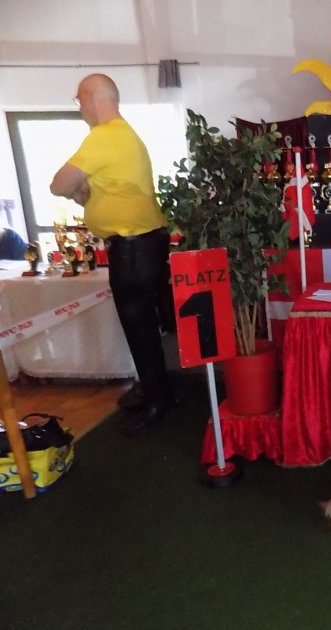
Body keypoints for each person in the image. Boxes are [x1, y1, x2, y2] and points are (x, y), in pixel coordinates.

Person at [51, 73, 175, 435]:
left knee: (139, 328)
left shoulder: (103, 137)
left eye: (80, 101)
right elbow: (89, 190)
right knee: (145, 326)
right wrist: (82, 191)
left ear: (92, 98)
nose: (80, 109)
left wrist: (77, 191)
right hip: (143, 246)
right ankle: (156, 391)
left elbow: (58, 184)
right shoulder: (125, 135)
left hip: (132, 250)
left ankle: (157, 401)